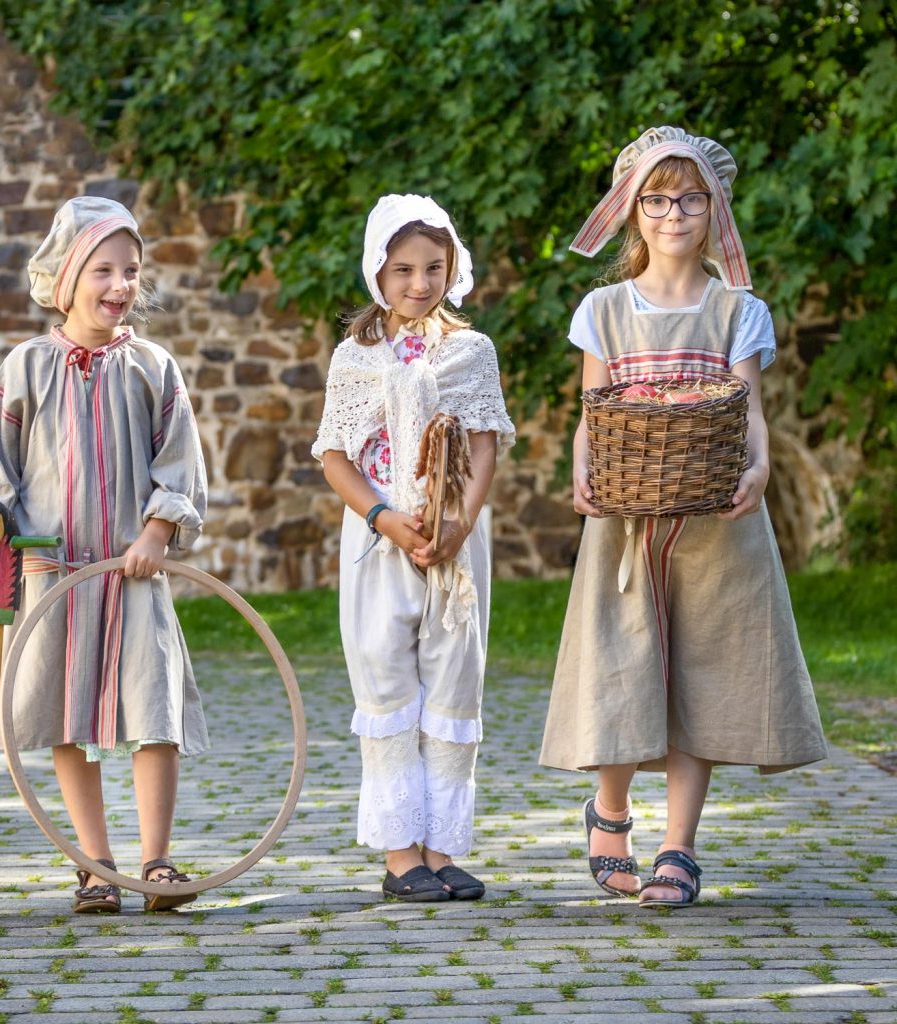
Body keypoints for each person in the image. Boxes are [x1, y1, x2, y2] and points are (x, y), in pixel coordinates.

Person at [540, 127, 827, 908]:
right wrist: (581, 466)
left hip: (715, 516)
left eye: (690, 198)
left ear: (714, 207)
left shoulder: (738, 308)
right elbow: (591, 413)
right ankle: (609, 811)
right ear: (632, 209)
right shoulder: (604, 308)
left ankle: (678, 846)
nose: (674, 213)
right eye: (657, 199)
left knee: (701, 669)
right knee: (620, 660)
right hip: (628, 518)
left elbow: (750, 415)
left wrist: (760, 469)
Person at [0, 197, 208, 913]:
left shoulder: (153, 368)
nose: (121, 284)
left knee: (150, 712)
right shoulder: (25, 369)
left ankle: (155, 863)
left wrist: (158, 533)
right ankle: (95, 864)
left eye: (131, 270)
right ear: (67, 277)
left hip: (133, 573)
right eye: (104, 269)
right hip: (55, 576)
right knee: (69, 718)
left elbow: (179, 461)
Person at [313, 194, 515, 902]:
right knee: (386, 680)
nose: (419, 284)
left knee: (454, 681)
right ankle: (401, 854)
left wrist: (459, 523)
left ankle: (443, 846)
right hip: (382, 540)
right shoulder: (355, 358)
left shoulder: (471, 352)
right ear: (379, 272)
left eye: (433, 267)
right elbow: (335, 456)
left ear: (452, 267)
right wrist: (385, 518)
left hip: (455, 541)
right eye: (403, 269)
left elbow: (486, 445)